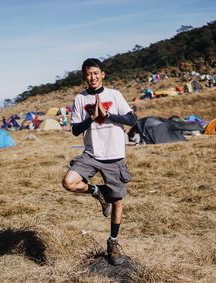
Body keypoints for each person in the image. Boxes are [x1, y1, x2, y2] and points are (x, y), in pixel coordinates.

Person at [62, 58, 136, 266]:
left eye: (96, 73)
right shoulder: (80, 99)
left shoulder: (114, 95)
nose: (92, 77)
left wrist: (109, 114)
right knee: (69, 182)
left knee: (118, 201)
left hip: (115, 155)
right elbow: (76, 130)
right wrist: (92, 118)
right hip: (92, 154)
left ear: (103, 74)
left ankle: (113, 243)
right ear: (84, 77)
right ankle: (97, 192)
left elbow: (132, 120)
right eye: (88, 74)